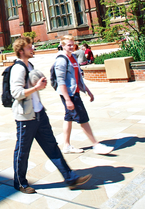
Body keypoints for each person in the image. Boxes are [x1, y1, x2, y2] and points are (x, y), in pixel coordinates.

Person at [10, 36, 91, 194]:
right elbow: (16, 93)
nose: (32, 48)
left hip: (39, 114)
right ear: (21, 51)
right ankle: (20, 183)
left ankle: (70, 178)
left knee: (52, 147)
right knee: (22, 151)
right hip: (26, 117)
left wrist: (39, 85)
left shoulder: (30, 64)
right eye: (29, 47)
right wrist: (36, 88)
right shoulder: (18, 68)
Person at [56, 36, 113, 155]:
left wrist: (87, 90)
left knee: (69, 118)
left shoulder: (74, 57)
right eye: (68, 45)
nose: (71, 46)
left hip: (75, 91)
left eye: (72, 44)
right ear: (62, 46)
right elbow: (60, 81)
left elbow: (78, 78)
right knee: (83, 119)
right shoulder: (62, 60)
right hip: (70, 94)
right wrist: (67, 99)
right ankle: (96, 145)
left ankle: (66, 146)